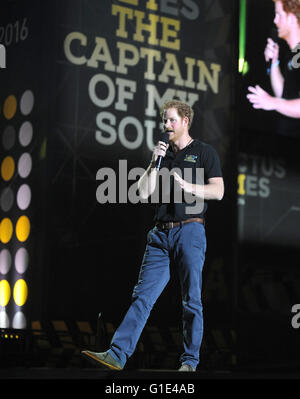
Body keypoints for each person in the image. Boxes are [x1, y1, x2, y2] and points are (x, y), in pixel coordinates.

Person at [82, 100, 224, 372]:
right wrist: (153, 164)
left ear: (185, 121)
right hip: (160, 235)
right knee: (142, 297)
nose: (166, 125)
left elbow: (218, 191)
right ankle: (117, 355)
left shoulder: (204, 152)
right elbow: (143, 193)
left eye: (171, 120)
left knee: (190, 299)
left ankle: (189, 362)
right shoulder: (162, 155)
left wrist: (188, 186)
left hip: (190, 230)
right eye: (164, 120)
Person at [247, 0, 300, 136]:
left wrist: (271, 102)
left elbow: (279, 102)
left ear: (292, 17)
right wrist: (275, 62)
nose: (275, 20)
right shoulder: (292, 53)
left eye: (279, 15)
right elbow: (284, 96)